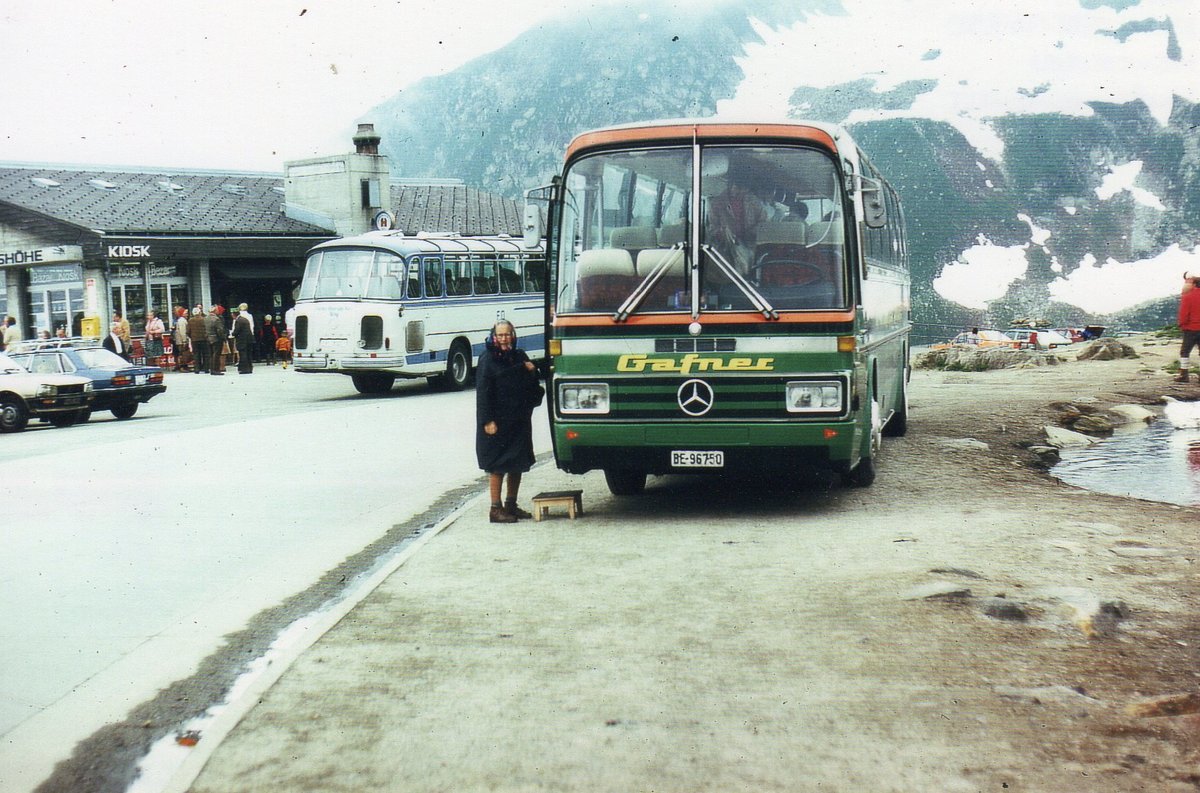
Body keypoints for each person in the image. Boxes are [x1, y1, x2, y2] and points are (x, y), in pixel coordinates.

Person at [475, 320, 542, 523]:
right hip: (497, 421)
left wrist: (532, 370)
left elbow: (533, 385)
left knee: (517, 463)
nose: (504, 339)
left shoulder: (519, 356)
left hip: (518, 420)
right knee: (497, 464)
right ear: (494, 337)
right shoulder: (487, 359)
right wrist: (487, 421)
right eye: (500, 335)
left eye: (507, 335)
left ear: (513, 336)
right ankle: (495, 509)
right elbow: (483, 394)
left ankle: (511, 505)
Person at [707, 164, 767, 274]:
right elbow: (712, 229)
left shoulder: (755, 203)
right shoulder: (717, 203)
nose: (740, 192)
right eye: (737, 187)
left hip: (751, 251)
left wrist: (751, 233)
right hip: (726, 252)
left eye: (744, 189)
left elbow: (764, 226)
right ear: (731, 184)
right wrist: (722, 233)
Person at [1176, 271, 1200, 383]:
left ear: (1194, 284)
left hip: (1191, 329)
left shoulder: (1188, 296)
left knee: (1185, 351)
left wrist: (1182, 324)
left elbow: (1184, 313)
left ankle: (1184, 375)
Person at [205, 306, 227, 375]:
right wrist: (223, 338)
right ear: (215, 311)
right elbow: (220, 330)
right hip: (216, 339)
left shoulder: (206, 318)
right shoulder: (216, 319)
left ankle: (211, 369)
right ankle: (216, 369)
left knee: (211, 354)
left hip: (208, 338)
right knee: (216, 354)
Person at [187, 307, 209, 374]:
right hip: (204, 339)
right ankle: (206, 368)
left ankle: (197, 369)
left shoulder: (190, 320)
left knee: (196, 354)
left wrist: (192, 337)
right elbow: (207, 329)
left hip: (194, 340)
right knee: (205, 354)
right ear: (199, 312)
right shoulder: (204, 319)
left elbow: (188, 331)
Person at [232, 308, 254, 374]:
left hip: (242, 340)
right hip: (249, 339)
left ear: (234, 315)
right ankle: (249, 368)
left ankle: (244, 369)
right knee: (248, 354)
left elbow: (237, 330)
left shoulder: (238, 321)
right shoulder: (244, 319)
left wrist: (233, 334)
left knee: (243, 354)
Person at [172, 306, 191, 371]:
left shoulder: (180, 320)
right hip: (181, 341)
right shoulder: (182, 321)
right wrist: (184, 341)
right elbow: (183, 332)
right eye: (185, 313)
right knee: (183, 354)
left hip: (179, 340)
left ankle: (183, 366)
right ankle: (183, 366)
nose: (187, 314)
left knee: (182, 353)